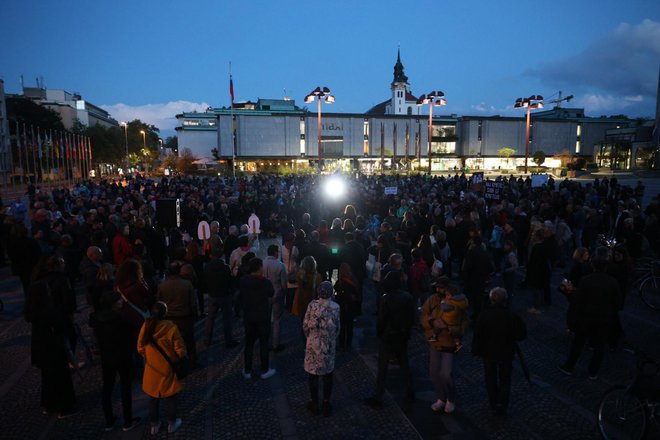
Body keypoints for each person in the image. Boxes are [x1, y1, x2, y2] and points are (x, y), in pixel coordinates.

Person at [25, 256, 78, 419]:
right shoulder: (53, 290)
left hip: (41, 338)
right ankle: (64, 406)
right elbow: (68, 305)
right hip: (54, 336)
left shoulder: (36, 287)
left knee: (48, 373)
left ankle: (48, 403)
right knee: (60, 372)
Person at [559, 258, 622, 379]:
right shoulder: (613, 282)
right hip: (604, 319)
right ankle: (593, 372)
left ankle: (569, 366)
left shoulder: (586, 280)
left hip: (586, 317)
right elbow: (618, 303)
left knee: (578, 343)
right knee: (599, 347)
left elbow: (578, 300)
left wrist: (570, 293)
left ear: (593, 267)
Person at [89, 291, 141, 432]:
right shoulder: (121, 320)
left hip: (107, 357)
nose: (122, 302)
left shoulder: (97, 319)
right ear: (112, 304)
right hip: (122, 356)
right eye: (119, 301)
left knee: (107, 388)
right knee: (125, 389)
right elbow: (131, 337)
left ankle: (109, 421)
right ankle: (128, 421)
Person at [471, 287, 527, 417]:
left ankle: (493, 402)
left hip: (489, 353)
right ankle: (502, 404)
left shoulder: (484, 314)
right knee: (505, 379)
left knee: (490, 379)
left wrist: (476, 350)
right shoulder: (511, 315)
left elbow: (478, 335)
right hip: (505, 353)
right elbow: (521, 335)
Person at [365, 271, 415, 410]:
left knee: (382, 368)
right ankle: (410, 390)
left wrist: (380, 333)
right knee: (404, 363)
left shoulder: (385, 299)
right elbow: (412, 318)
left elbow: (381, 321)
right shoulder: (408, 297)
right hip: (402, 335)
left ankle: (378, 396)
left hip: (388, 336)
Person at [137, 301, 186, 435]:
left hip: (152, 369)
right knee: (171, 397)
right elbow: (180, 350)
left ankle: (154, 425)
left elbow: (140, 347)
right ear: (165, 313)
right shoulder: (171, 327)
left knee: (153, 398)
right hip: (167, 369)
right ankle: (172, 423)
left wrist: (149, 356)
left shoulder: (146, 325)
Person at [420, 276, 458, 413]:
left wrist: (451, 328)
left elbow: (462, 323)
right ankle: (441, 398)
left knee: (446, 374)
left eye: (440, 287)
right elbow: (424, 315)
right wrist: (432, 322)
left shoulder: (456, 301)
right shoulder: (433, 299)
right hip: (434, 342)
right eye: (437, 287)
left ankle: (451, 398)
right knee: (434, 373)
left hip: (448, 343)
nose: (437, 289)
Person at [303, 281, 340, 416]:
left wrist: (310, 337)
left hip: (313, 344)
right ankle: (325, 402)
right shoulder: (336, 307)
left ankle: (314, 403)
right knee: (327, 375)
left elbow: (305, 325)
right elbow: (337, 328)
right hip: (328, 345)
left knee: (313, 375)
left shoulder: (312, 305)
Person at [157, 263, 199, 369]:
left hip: (169, 318)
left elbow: (159, 302)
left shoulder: (162, 286)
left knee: (172, 342)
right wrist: (195, 314)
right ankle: (192, 362)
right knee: (189, 341)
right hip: (185, 317)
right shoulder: (187, 284)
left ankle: (175, 363)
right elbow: (193, 303)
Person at [240, 257, 276, 380]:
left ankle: (247, 370)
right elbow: (271, 293)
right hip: (263, 317)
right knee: (264, 344)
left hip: (249, 317)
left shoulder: (243, 281)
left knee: (249, 344)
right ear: (259, 268)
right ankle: (264, 370)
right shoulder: (265, 282)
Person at [203, 244, 237, 348]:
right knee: (227, 319)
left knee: (210, 319)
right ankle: (228, 340)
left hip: (213, 295)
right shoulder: (225, 267)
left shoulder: (207, 267)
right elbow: (230, 281)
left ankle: (207, 340)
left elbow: (205, 281)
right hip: (224, 295)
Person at [262, 244, 288, 352]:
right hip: (277, 294)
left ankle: (266, 342)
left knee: (265, 320)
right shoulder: (280, 265)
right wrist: (284, 293)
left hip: (264, 295)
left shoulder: (262, 263)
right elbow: (284, 284)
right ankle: (275, 344)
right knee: (277, 320)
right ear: (274, 252)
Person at [430, 284, 469, 352]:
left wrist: (442, 302)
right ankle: (435, 336)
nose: (446, 297)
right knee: (455, 336)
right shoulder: (461, 300)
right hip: (456, 320)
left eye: (448, 295)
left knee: (440, 326)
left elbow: (444, 308)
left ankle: (435, 337)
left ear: (453, 295)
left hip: (449, 321)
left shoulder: (452, 303)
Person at [333, 263, 360, 351]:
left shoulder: (341, 282)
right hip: (351, 307)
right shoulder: (353, 280)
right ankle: (348, 344)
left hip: (343, 306)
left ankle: (341, 345)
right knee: (350, 326)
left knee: (342, 326)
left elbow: (338, 293)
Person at [291, 256, 322, 322]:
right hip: (313, 300)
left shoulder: (300, 275)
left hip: (302, 300)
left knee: (303, 320)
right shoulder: (318, 277)